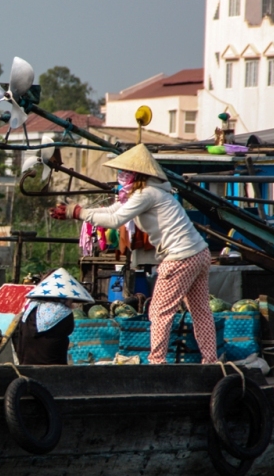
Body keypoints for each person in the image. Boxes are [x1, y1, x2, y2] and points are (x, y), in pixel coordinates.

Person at [50, 144, 218, 364]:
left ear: (137, 174)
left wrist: (79, 212)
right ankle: (211, 360)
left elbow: (115, 220)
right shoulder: (151, 192)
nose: (121, 176)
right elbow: (113, 211)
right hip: (199, 253)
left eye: (125, 172)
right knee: (201, 311)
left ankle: (157, 362)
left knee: (159, 311)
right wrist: (78, 212)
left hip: (180, 257)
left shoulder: (146, 194)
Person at [15, 268, 92, 365]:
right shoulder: (64, 312)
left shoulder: (30, 308)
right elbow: (68, 330)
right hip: (54, 368)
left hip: (25, 365)